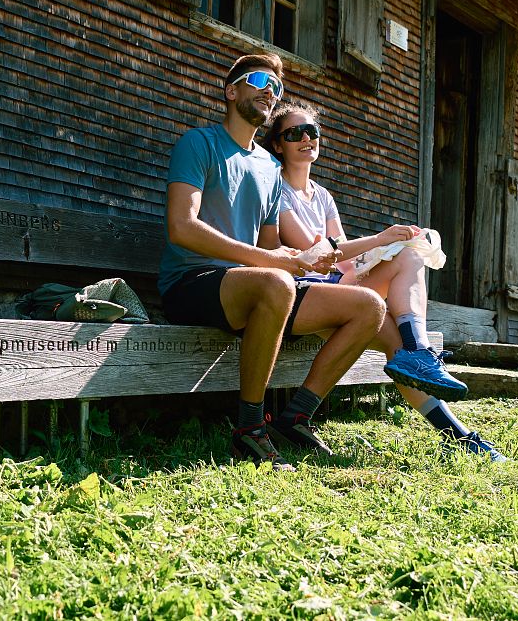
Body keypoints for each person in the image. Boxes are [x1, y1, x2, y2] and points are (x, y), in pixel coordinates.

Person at [159, 54, 458, 469]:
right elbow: (182, 227)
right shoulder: (200, 143)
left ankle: (295, 416)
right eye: (259, 80)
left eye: (276, 87)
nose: (270, 90)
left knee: (369, 308)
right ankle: (249, 429)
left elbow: (268, 246)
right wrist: (272, 262)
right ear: (231, 91)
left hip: (254, 285)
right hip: (193, 280)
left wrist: (296, 261)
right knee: (275, 282)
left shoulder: (267, 167)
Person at [262, 101, 507, 461]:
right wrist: (379, 240)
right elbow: (320, 252)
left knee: (409, 257)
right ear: (278, 145)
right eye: (294, 134)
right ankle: (420, 357)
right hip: (303, 295)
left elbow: (344, 264)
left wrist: (386, 252)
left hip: (336, 288)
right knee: (396, 274)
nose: (306, 139)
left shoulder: (323, 196)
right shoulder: (275, 190)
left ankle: (454, 427)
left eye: (311, 132)